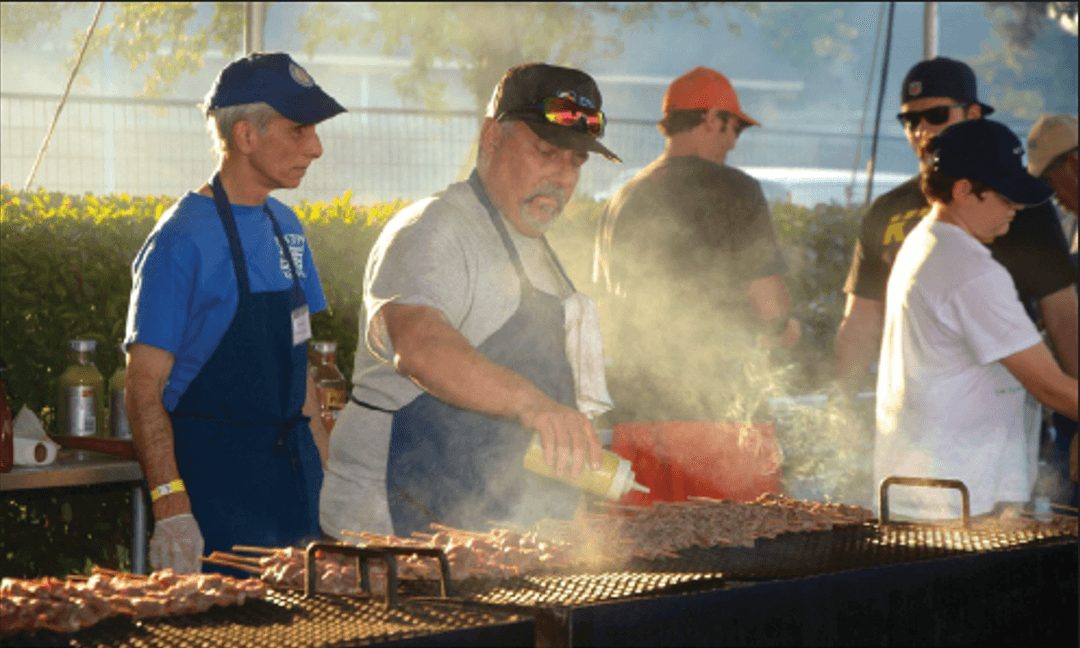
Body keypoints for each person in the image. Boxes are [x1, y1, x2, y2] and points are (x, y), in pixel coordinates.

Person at [320, 63, 620, 539]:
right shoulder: (435, 228)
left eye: (576, 163)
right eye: (547, 152)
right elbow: (419, 345)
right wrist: (534, 405)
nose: (563, 176)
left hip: (491, 520)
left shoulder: (536, 247)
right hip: (398, 524)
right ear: (491, 137)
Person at [124, 52, 345, 573]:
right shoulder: (180, 241)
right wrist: (171, 506)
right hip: (216, 500)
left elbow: (302, 377)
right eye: (299, 130)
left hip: (296, 491)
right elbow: (142, 390)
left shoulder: (287, 227)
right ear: (245, 136)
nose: (316, 147)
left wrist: (332, 487)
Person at [836, 58, 1077, 397]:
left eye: (936, 116)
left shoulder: (1023, 205)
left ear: (974, 115)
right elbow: (860, 322)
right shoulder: (886, 210)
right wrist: (840, 406)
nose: (921, 130)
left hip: (1004, 417)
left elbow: (1063, 314)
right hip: (916, 421)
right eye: (909, 120)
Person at [876, 119, 1078, 520]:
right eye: (1005, 196)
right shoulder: (969, 270)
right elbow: (1052, 388)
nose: (1016, 207)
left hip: (929, 492)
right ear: (964, 191)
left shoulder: (924, 242)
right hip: (960, 504)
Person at [593, 66, 798, 424]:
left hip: (636, 410)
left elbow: (602, 314)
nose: (734, 141)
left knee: (643, 485)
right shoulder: (735, 190)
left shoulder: (620, 199)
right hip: (719, 408)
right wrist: (782, 328)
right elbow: (767, 300)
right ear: (712, 118)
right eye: (734, 127)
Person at [1027, 113, 1079, 508]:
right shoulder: (1066, 227)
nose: (1048, 194)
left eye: (1047, 181)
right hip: (1066, 414)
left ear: (1074, 165)